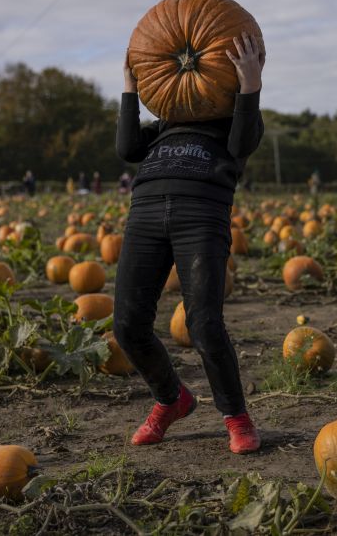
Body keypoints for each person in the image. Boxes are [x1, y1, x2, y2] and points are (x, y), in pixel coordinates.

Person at [114, 33, 264, 454]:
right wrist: (130, 87)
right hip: (144, 215)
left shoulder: (234, 120)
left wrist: (250, 86)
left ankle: (236, 417)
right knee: (127, 325)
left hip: (200, 214)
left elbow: (242, 145)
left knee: (203, 324)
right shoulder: (163, 125)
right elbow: (127, 148)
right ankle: (171, 399)